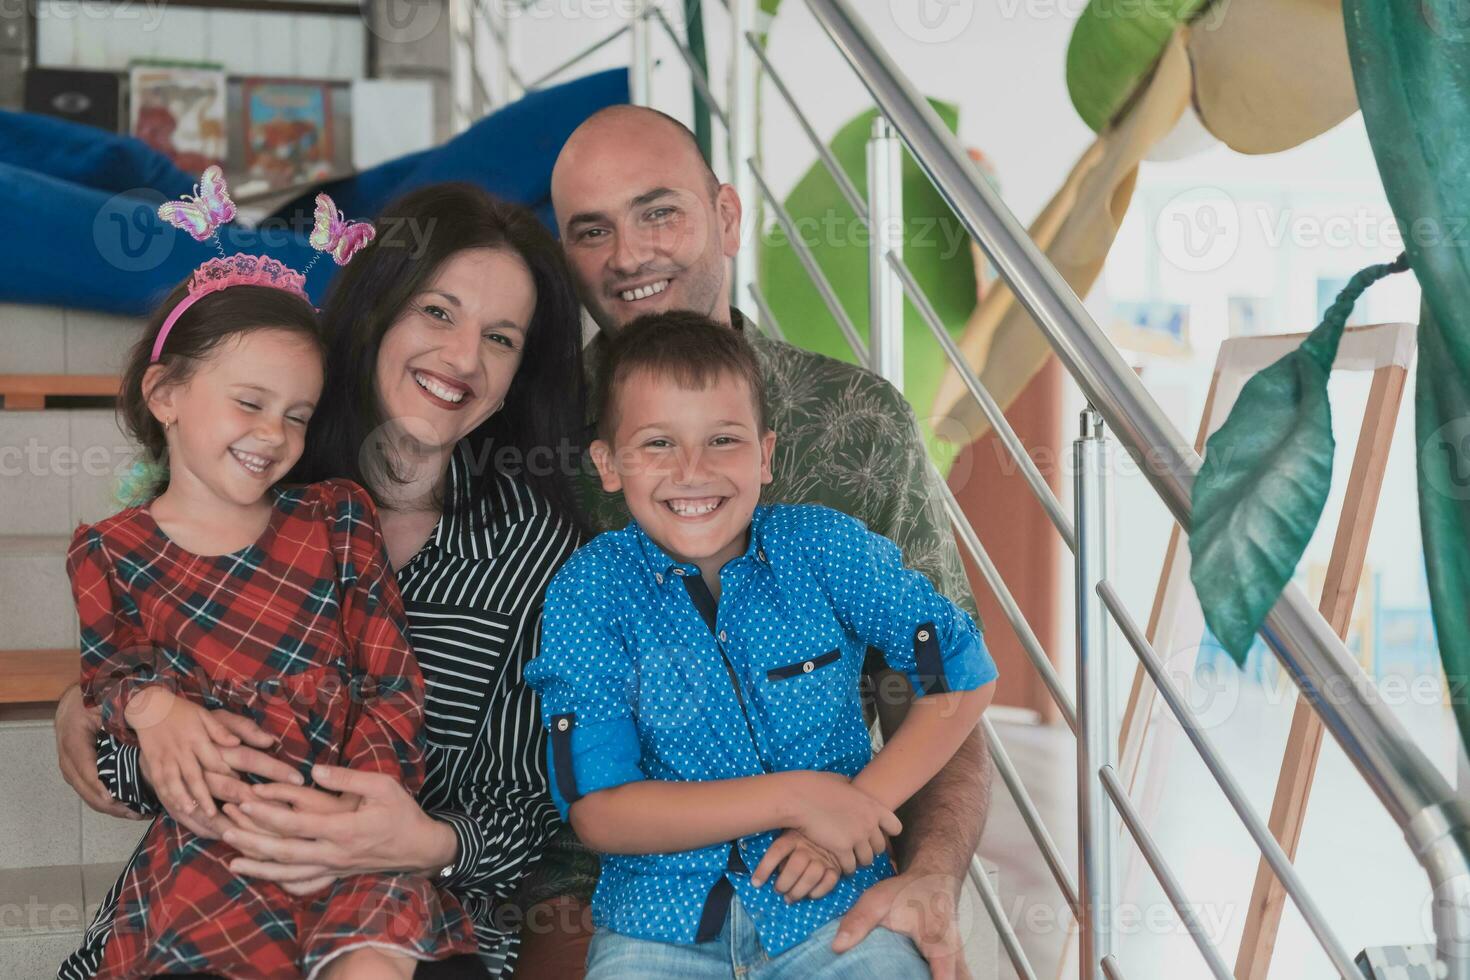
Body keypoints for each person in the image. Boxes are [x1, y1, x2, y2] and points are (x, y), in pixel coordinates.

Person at [54, 183, 590, 979]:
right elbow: (136, 747)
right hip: (214, 890)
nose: (464, 359)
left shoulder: (534, 548)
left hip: (413, 914)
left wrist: (424, 841)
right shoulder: (252, 477)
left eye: (502, 338)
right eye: (437, 313)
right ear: (380, 310)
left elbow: (529, 808)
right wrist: (105, 707)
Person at [550, 104, 995, 976]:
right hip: (610, 890)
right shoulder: (534, 428)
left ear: (726, 214)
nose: (629, 255)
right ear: (609, 460)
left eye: (658, 211)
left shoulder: (851, 431)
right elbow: (591, 801)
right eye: (591, 230)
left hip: (826, 875)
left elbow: (943, 681)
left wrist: (928, 876)